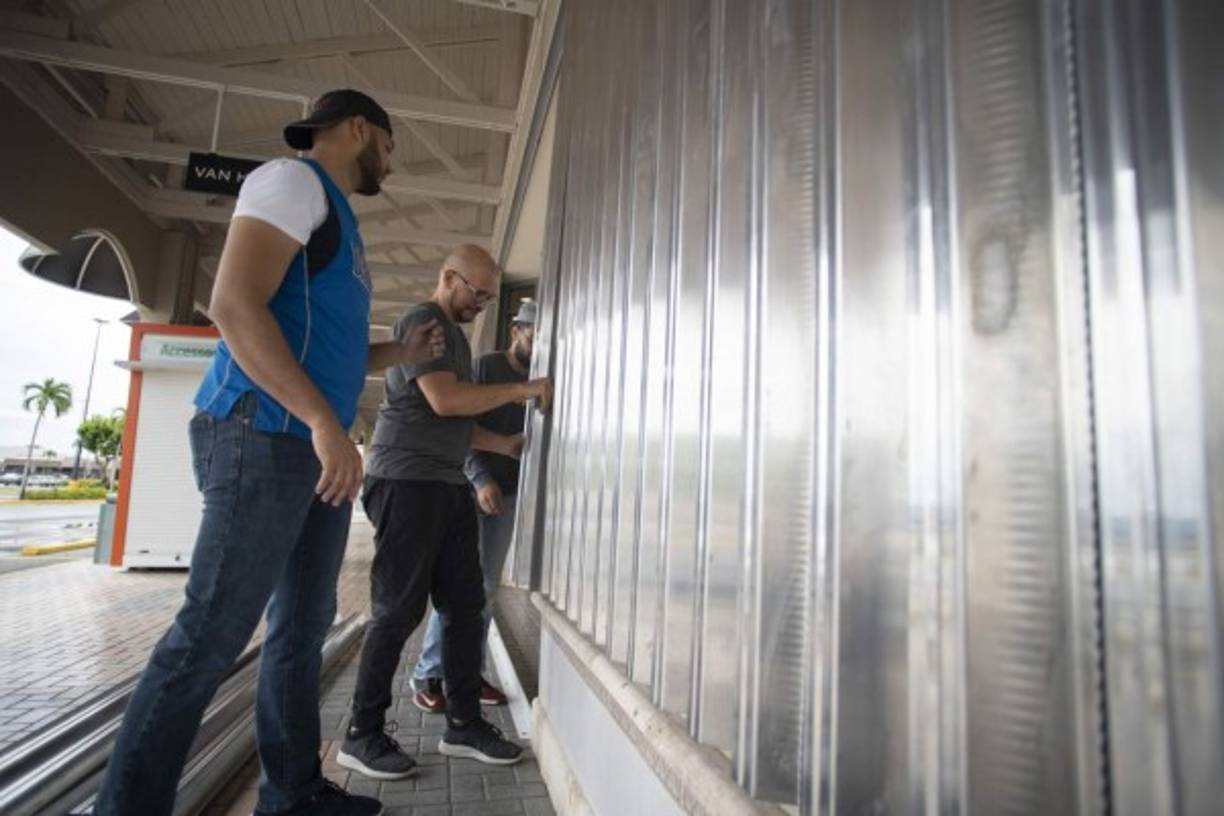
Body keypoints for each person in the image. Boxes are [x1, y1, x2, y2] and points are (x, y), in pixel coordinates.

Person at [95, 89, 445, 816]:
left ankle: (292, 794)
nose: (390, 162)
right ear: (358, 130)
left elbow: (323, 342)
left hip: (305, 447)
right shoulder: (290, 181)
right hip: (261, 431)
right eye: (388, 145)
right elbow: (233, 304)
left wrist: (396, 351)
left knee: (301, 629)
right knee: (211, 634)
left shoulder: (339, 221)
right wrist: (323, 422)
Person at [338, 246, 552, 780]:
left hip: (444, 480)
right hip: (405, 482)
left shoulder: (455, 336)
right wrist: (525, 389)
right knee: (398, 611)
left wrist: (503, 445)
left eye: (487, 296)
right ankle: (362, 734)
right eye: (475, 292)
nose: (481, 303)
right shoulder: (422, 321)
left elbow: (452, 422)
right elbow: (443, 400)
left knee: (465, 604)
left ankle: (463, 724)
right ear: (448, 277)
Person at [409, 300, 538, 713]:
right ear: (515, 330)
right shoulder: (485, 368)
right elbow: (459, 426)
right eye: (531, 334)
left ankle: (468, 672)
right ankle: (429, 673)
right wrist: (480, 478)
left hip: (512, 494)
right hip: (472, 489)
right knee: (459, 585)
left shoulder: (544, 378)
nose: (536, 345)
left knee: (483, 589)